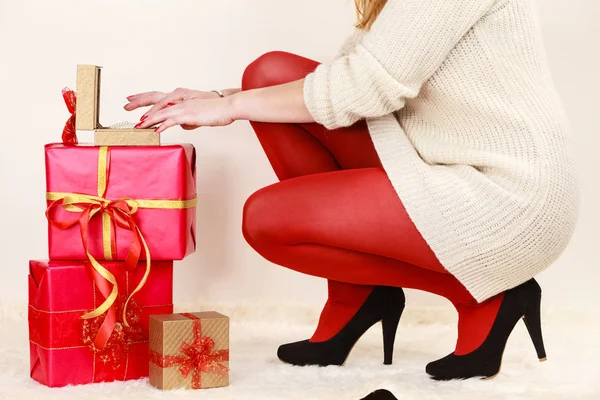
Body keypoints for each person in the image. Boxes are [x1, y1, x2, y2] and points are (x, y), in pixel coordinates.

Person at [125, 0, 580, 380]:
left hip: (507, 193)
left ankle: (482, 291)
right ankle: (357, 295)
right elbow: (347, 77)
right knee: (267, 73)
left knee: (267, 221)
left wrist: (231, 108)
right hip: (439, 162)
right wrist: (212, 98)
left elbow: (364, 88)